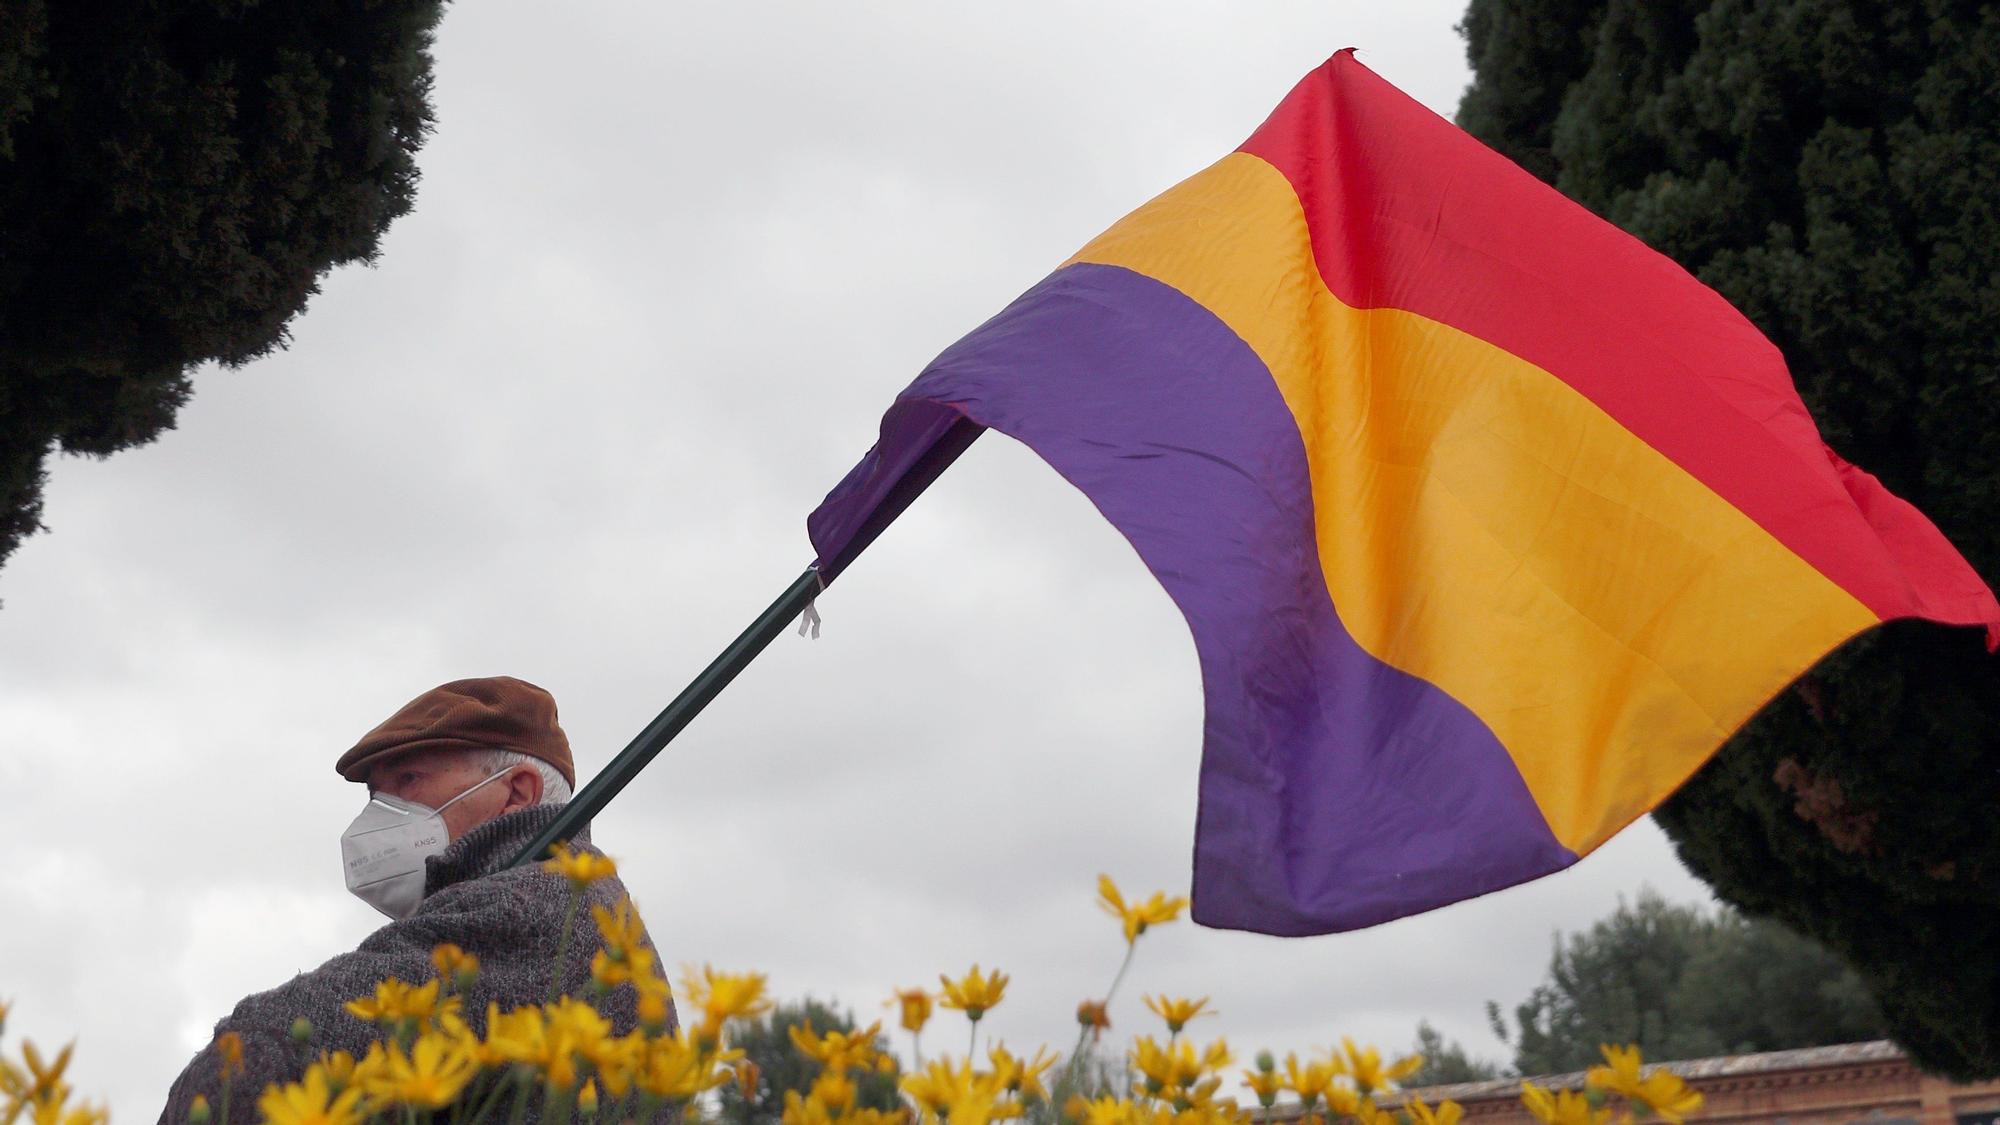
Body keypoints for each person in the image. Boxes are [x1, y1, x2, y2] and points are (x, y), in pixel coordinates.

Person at [157, 676, 667, 1115]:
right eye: (377, 795)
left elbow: (264, 1055)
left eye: (409, 779)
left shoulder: (531, 909)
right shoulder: (578, 898)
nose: (380, 814)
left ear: (517, 793)